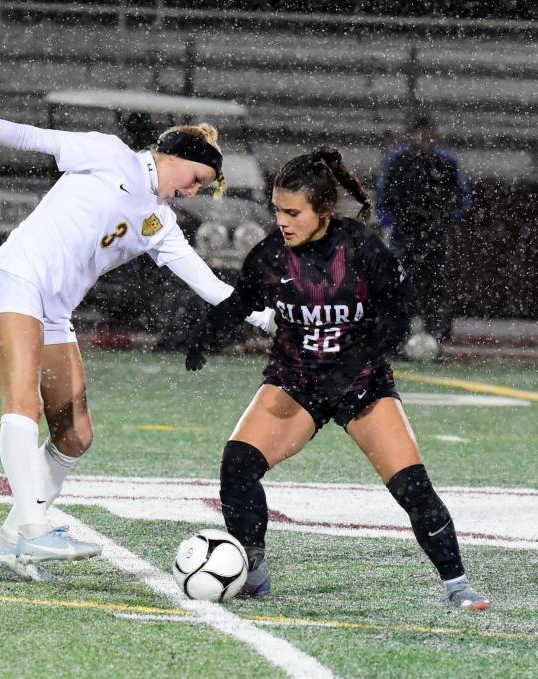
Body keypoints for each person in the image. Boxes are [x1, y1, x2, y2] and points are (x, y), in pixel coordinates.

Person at [0, 111, 275, 581]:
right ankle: (31, 527)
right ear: (172, 156)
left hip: (53, 313)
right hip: (17, 280)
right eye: (195, 180)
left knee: (75, 435)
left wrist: (268, 318)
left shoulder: (160, 223)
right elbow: (30, 135)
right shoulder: (109, 155)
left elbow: (209, 285)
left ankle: (9, 542)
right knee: (24, 405)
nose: (193, 192)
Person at [185, 147, 490, 610]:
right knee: (238, 465)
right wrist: (206, 334)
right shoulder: (269, 255)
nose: (282, 221)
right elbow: (244, 300)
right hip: (295, 381)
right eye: (277, 210)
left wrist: (360, 357)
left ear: (322, 210)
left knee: (411, 486)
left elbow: (398, 315)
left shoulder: (362, 248)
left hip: (361, 384)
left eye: (293, 212)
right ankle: (253, 568)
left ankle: (458, 585)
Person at [375, 113, 472, 349]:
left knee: (436, 286)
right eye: (420, 132)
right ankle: (396, 337)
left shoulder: (446, 162)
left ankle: (436, 336)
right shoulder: (398, 161)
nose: (424, 137)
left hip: (435, 235)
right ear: (412, 135)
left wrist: (445, 220)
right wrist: (394, 222)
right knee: (399, 286)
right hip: (404, 234)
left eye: (428, 132)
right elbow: (382, 196)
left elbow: (463, 197)